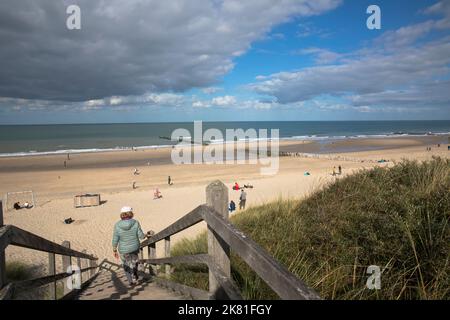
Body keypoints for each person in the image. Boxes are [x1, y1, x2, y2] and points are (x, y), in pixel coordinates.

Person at [112, 207, 149, 286]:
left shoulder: (117, 225)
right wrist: (146, 235)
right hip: (134, 247)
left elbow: (115, 238)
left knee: (125, 263)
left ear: (122, 214)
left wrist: (114, 249)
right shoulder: (135, 222)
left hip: (123, 249)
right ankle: (135, 274)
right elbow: (141, 236)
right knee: (134, 261)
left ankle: (130, 282)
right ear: (131, 213)